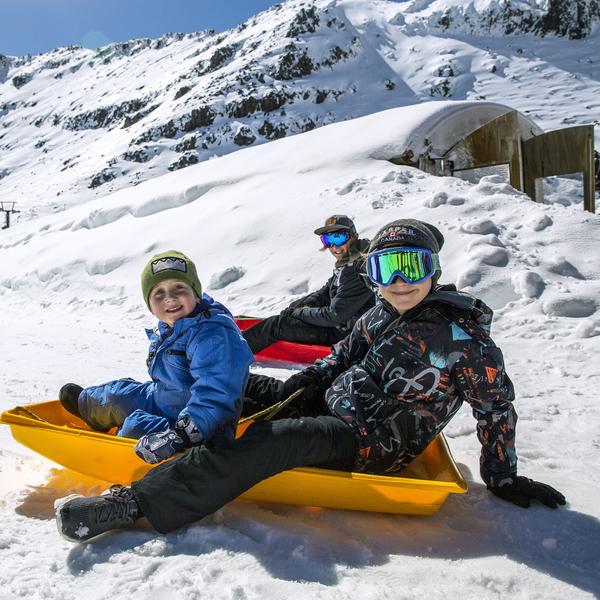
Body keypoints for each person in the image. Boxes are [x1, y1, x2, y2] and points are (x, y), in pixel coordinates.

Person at [55, 219, 565, 543]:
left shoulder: (462, 336)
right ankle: (135, 407)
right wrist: (294, 388)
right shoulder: (380, 313)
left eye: (414, 264)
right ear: (374, 275)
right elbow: (341, 357)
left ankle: (133, 502)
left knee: (269, 439)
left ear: (434, 269)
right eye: (388, 267)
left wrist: (503, 475)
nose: (401, 279)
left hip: (368, 439)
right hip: (333, 401)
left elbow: (496, 406)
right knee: (238, 381)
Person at [58, 250, 254, 465]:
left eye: (179, 288)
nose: (169, 298)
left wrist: (183, 433)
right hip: (162, 398)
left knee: (135, 428)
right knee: (117, 395)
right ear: (150, 305)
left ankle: (116, 447)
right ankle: (88, 407)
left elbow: (216, 392)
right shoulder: (174, 323)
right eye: (158, 293)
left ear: (195, 294)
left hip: (197, 427)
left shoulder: (213, 335)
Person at [241, 215, 375, 353]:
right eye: (327, 240)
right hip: (343, 328)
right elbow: (325, 292)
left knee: (275, 325)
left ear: (354, 236)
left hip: (349, 336)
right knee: (283, 319)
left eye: (338, 237)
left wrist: (299, 313)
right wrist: (299, 306)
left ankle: (229, 354)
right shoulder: (348, 263)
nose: (334, 246)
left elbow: (334, 315)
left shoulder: (358, 268)